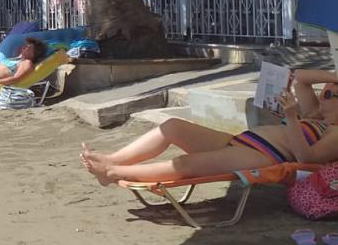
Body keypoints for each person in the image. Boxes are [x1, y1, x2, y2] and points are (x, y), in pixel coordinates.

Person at [82, 70, 338, 185]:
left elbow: (306, 159)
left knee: (184, 165)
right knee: (172, 126)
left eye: (331, 96)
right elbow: (300, 77)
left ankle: (114, 172)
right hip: (242, 140)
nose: (324, 96)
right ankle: (112, 159)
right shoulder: (315, 115)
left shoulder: (334, 132)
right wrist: (334, 78)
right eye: (326, 92)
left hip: (264, 156)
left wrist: (292, 117)